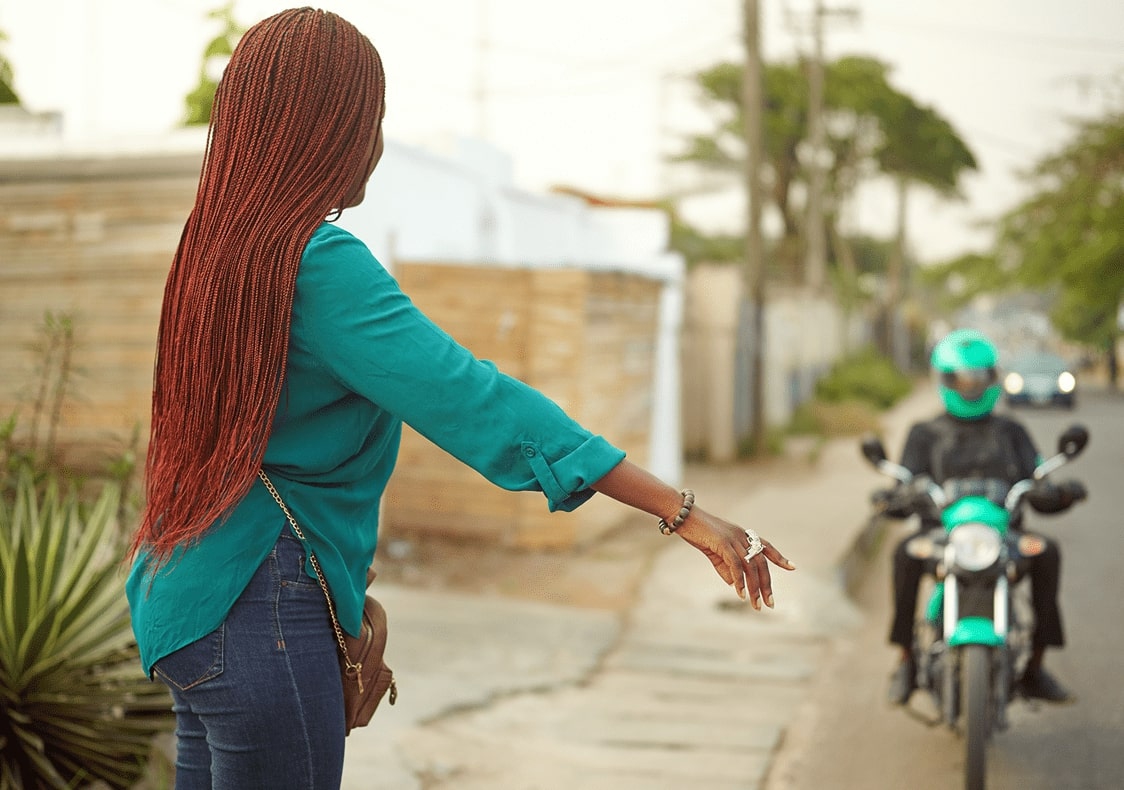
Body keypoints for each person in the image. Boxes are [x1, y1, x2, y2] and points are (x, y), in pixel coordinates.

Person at [124, 8, 795, 788]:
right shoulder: (319, 262)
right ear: (325, 132)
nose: (374, 145)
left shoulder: (213, 250)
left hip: (186, 605)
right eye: (367, 121)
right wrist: (679, 512)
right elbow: (473, 399)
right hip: (261, 605)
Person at [879, 328, 1086, 706]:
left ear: (992, 378)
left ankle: (1036, 668)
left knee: (1048, 551)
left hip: (1004, 538)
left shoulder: (1013, 431)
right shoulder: (924, 433)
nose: (970, 386)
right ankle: (906, 660)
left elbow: (1038, 481)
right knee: (905, 553)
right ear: (944, 379)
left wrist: (1060, 492)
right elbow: (905, 483)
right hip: (940, 538)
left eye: (978, 378)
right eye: (961, 378)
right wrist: (893, 498)